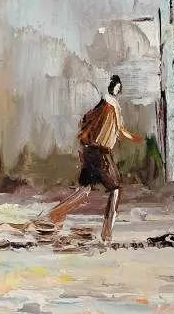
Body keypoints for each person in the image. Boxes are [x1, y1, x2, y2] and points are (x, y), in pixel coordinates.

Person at [47, 76, 143, 243]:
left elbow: (89, 122)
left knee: (85, 190)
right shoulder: (111, 106)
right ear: (113, 88)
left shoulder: (102, 105)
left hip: (89, 151)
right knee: (115, 188)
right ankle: (107, 232)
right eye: (117, 87)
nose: (118, 90)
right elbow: (119, 128)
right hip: (100, 153)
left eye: (119, 88)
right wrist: (134, 138)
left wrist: (130, 137)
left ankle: (56, 214)